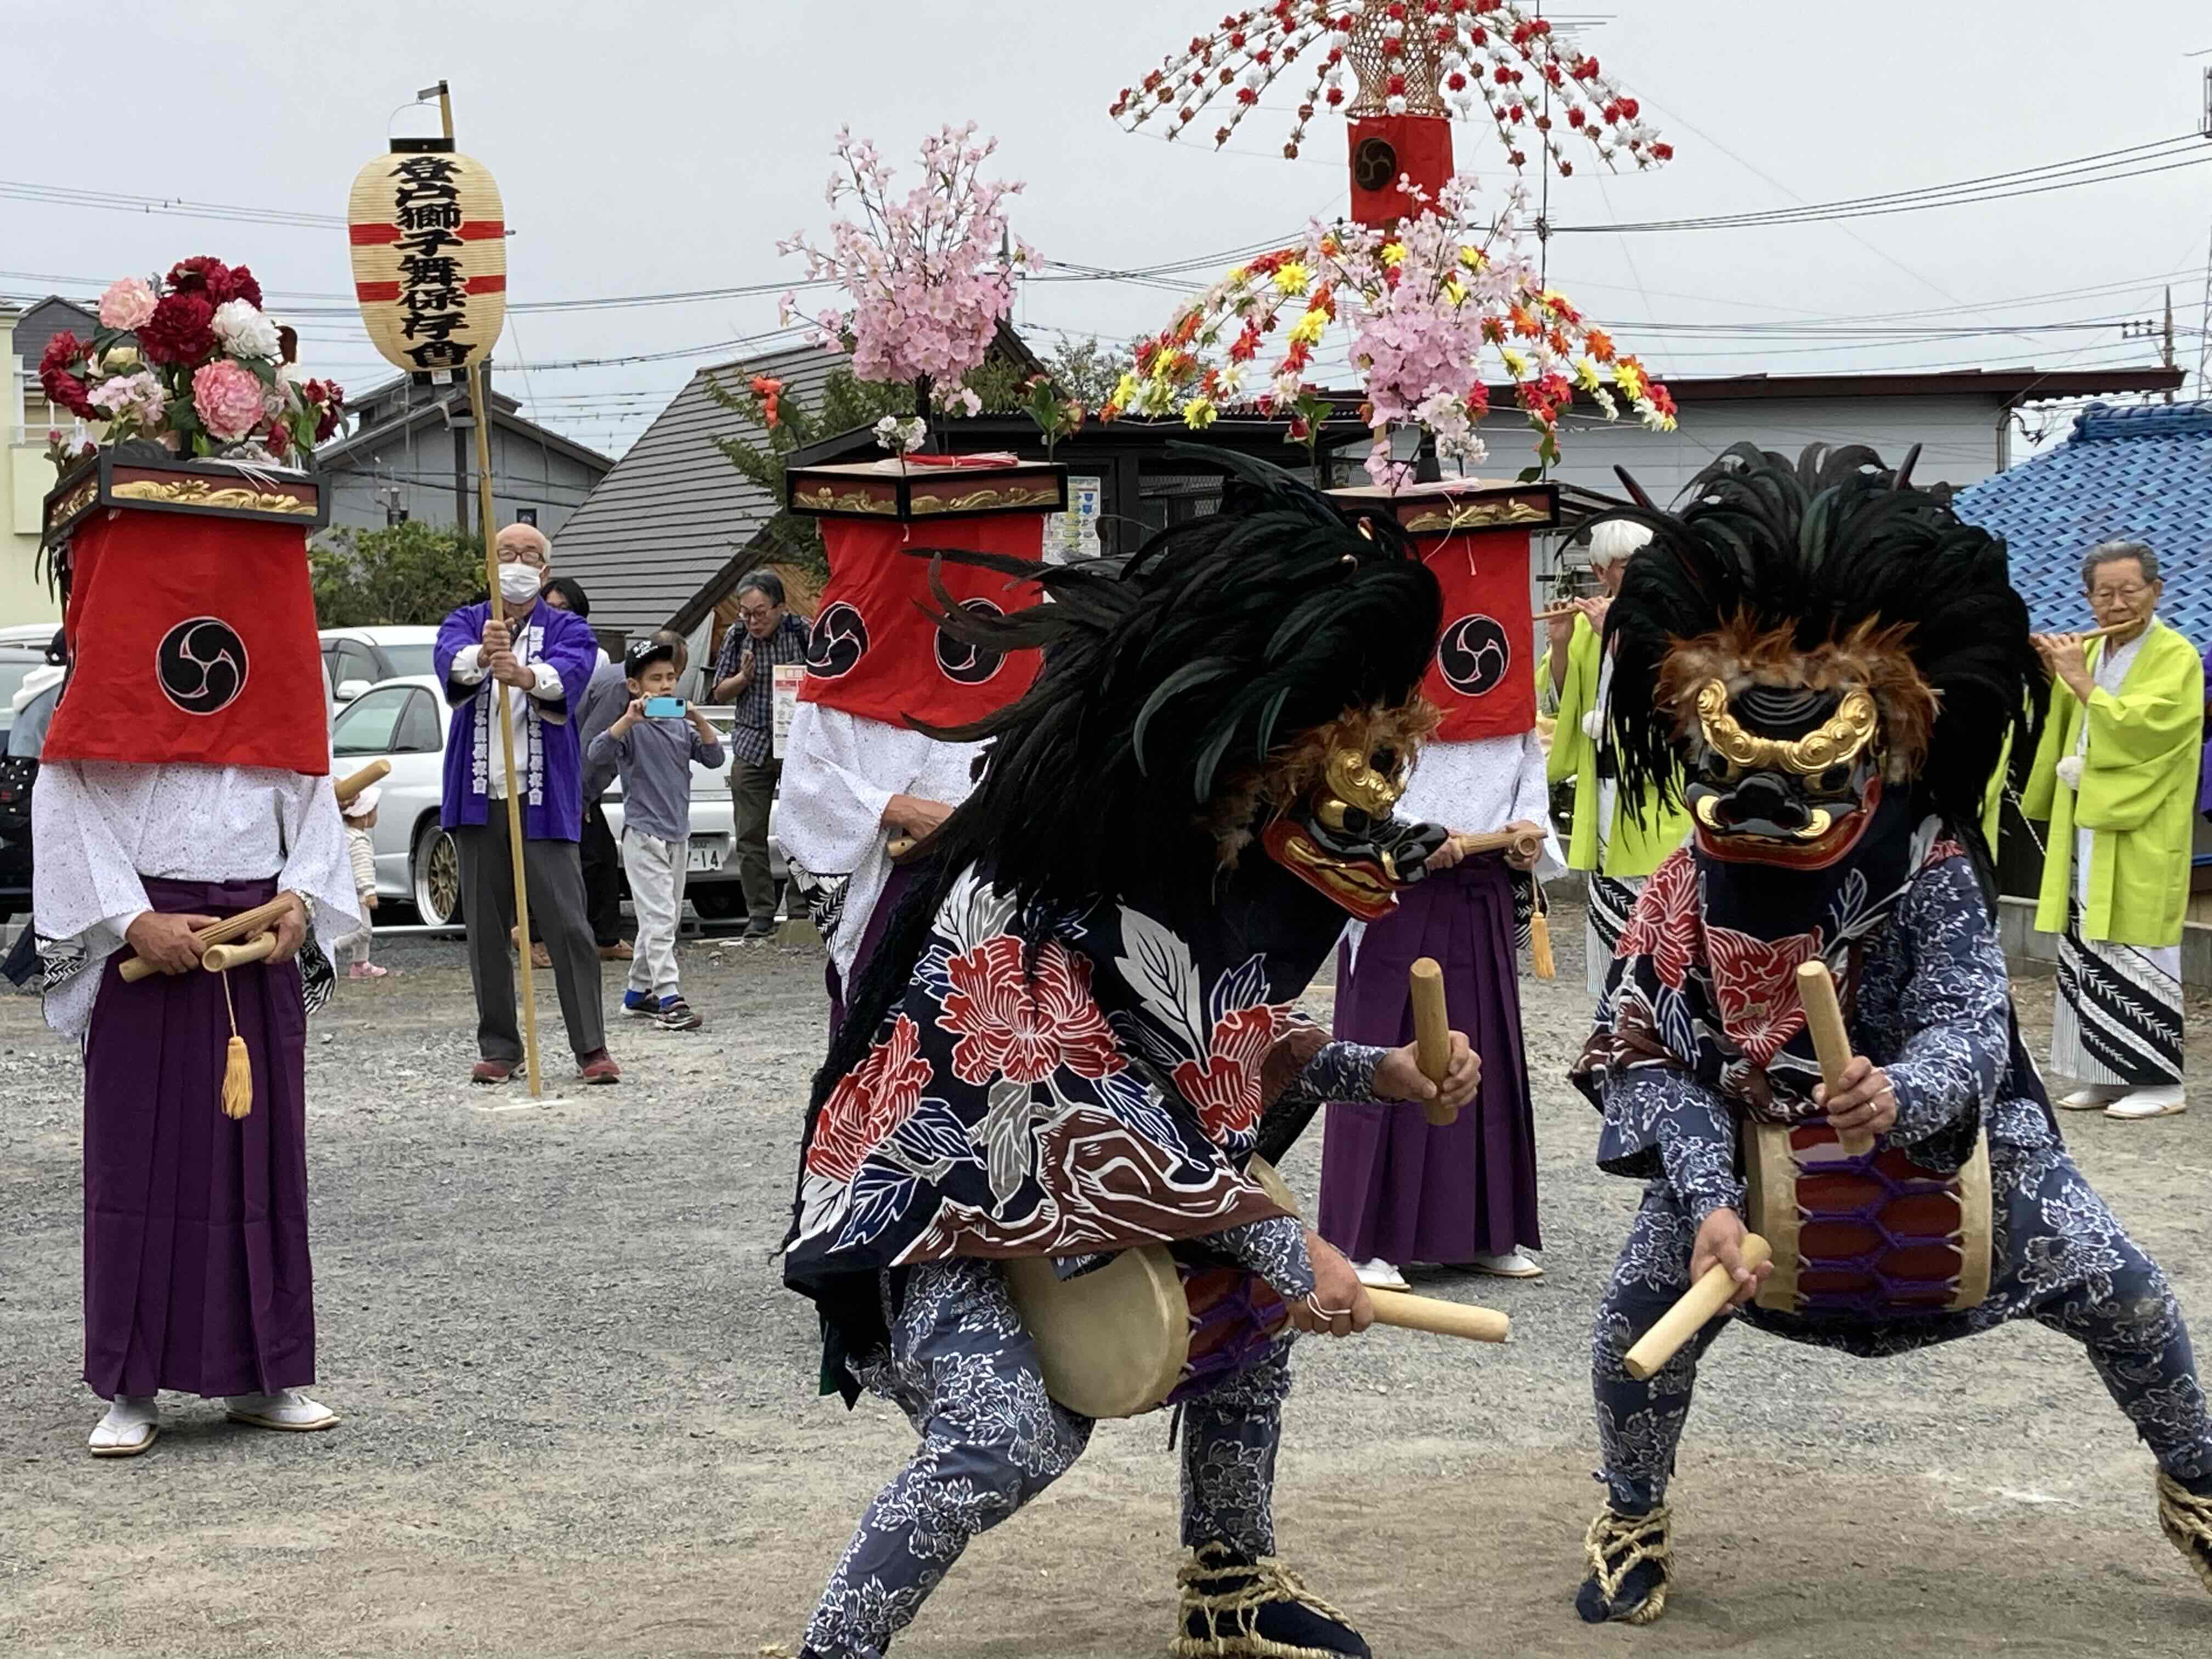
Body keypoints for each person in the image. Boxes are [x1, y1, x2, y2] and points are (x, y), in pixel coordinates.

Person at [784, 456, 1482, 1659]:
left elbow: (1213, 1042)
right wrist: (1287, 1237)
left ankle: (1231, 1585)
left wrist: (1383, 1074)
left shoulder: (1198, 868)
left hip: (1082, 1198)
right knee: (1007, 1439)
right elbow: (1087, 1104)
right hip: (939, 1209)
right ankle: (831, 1651)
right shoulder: (1027, 892)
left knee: (1247, 1335)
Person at [1568, 444, 2212, 1625]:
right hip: (1744, 1143)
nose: (1763, 804)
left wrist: (1902, 1093)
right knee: (1630, 1328)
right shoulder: (1674, 891)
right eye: (1732, 768)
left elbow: (1972, 1020)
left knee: (2129, 1295)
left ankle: (2203, 1491)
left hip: (1940, 1144)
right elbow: (1641, 1053)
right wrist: (1710, 1192)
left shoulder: (1932, 873)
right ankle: (1631, 1513)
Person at [31, 441, 362, 1458]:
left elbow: (314, 802)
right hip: (150, 948)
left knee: (256, 1167)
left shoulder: (274, 691)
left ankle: (265, 1372)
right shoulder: (105, 692)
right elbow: (68, 801)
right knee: (139, 1162)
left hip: (250, 948)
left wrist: (302, 898)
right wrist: (132, 920)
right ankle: (130, 1383)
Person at [1316, 678, 1559, 1288]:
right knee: (1387, 1049)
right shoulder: (1381, 664)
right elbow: (1343, 772)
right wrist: (1411, 831)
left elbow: (1527, 753)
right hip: (1397, 881)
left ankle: (1483, 1231)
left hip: (1482, 877)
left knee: (1486, 1055)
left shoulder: (1503, 664)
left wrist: (1526, 823)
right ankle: (1366, 1238)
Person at [2023, 540, 2203, 1121]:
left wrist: (2076, 679)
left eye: (2130, 591)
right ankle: (2100, 1072)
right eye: (2105, 594)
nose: (2117, 604)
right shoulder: (2094, 655)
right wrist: (2054, 672)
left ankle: (2159, 1080)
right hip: (2088, 818)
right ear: (2089, 599)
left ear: (2157, 591)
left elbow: (2150, 732)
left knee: (2139, 943)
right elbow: (2066, 729)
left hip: (2141, 821)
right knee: (2087, 943)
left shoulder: (2176, 655)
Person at [435, 522, 617, 1086]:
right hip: (478, 794)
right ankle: (499, 1046)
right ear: (491, 564)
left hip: (541, 795)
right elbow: (448, 662)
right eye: (506, 553)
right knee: (487, 929)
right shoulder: (468, 620)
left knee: (568, 923)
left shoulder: (569, 627)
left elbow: (573, 673)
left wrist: (526, 674)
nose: (518, 561)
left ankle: (591, 1046)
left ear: (544, 570)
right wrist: (484, 656)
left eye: (529, 555)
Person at [1543, 521, 1693, 995]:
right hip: (1604, 786)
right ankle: (1611, 1015)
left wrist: (1619, 635)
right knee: (1612, 927)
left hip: (1658, 790)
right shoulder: (1588, 626)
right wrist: (1562, 642)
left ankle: (1658, 1004)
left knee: (1664, 912)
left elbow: (1677, 698)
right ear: (1600, 572)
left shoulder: (1672, 621)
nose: (1638, 574)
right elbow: (1559, 704)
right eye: (1626, 567)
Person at [588, 634, 724, 1031]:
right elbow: (597, 753)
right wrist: (628, 719)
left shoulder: (681, 728)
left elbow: (714, 758)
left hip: (678, 834)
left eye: (671, 678)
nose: (665, 686)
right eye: (655, 679)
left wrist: (699, 719)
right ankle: (669, 996)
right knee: (660, 916)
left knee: (661, 919)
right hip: (643, 834)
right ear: (635, 686)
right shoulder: (632, 728)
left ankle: (636, 995)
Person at [709, 570, 810, 940]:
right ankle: (760, 912)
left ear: (780, 607)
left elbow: (833, 680)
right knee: (749, 832)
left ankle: (800, 907)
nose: (752, 621)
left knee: (800, 829)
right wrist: (743, 679)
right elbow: (718, 692)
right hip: (752, 744)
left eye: (760, 613)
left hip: (799, 744)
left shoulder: (805, 633)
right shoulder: (737, 636)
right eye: (746, 613)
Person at [538, 575, 630, 962]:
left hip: (574, 760)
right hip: (537, 757)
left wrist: (583, 786)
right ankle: (534, 936)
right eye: (551, 608)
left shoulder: (596, 657)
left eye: (565, 609)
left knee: (596, 855)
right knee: (544, 855)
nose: (557, 616)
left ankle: (604, 935)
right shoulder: (529, 647)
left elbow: (592, 722)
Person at [336, 785, 391, 979]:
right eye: (374, 810)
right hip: (358, 894)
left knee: (361, 930)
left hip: (347, 892)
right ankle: (330, 946)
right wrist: (369, 892)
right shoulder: (359, 841)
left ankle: (361, 963)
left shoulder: (345, 836)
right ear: (364, 815)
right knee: (364, 931)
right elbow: (362, 868)